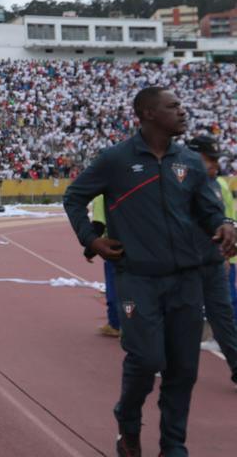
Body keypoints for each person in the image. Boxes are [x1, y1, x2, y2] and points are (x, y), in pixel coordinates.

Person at [63, 87, 237, 457]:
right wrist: (90, 240)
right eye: (173, 106)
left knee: (184, 369)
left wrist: (224, 224)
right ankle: (127, 420)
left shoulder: (189, 162)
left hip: (187, 280)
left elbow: (210, 211)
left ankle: (173, 446)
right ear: (148, 113)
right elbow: (74, 196)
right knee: (147, 359)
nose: (182, 111)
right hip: (138, 279)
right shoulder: (115, 160)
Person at [186, 134, 237, 386]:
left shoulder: (217, 185)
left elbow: (227, 218)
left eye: (216, 160)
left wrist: (227, 253)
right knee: (182, 318)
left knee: (224, 318)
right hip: (183, 266)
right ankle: (167, 363)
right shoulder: (175, 185)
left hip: (213, 263)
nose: (214, 165)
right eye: (209, 160)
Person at [86, 195, 121, 338]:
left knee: (114, 289)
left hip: (114, 247)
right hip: (135, 243)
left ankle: (115, 325)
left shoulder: (101, 197)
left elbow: (99, 225)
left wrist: (90, 251)